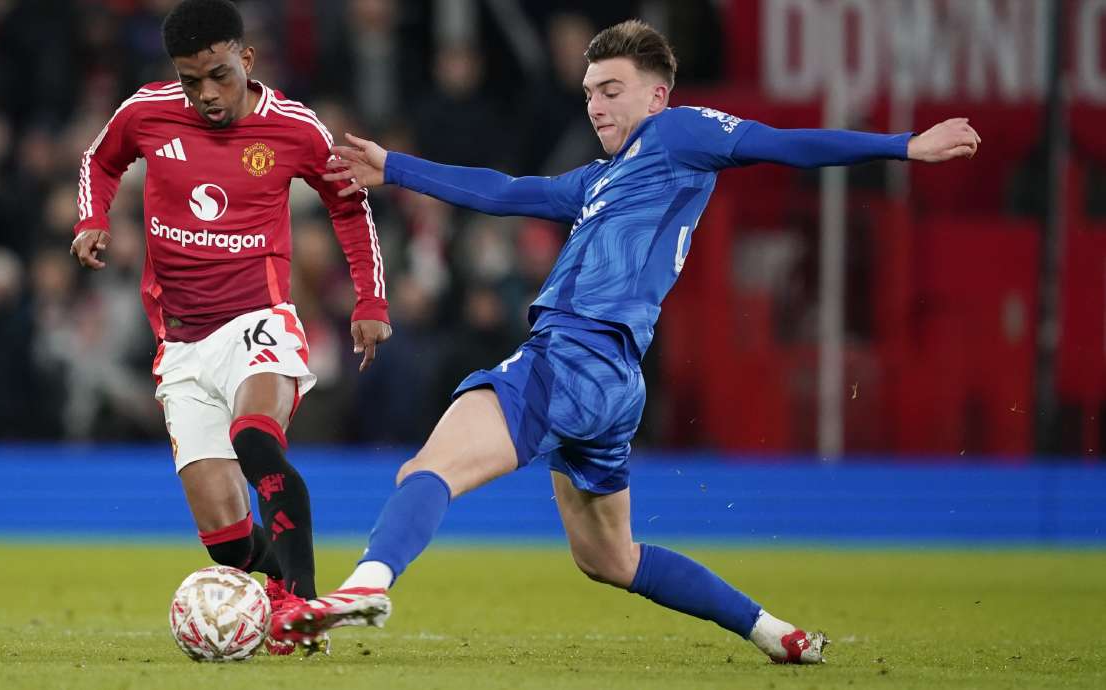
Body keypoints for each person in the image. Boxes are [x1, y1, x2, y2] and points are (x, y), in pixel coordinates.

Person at [271, 19, 981, 663]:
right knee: (610, 558)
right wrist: (395, 168)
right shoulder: (599, 180)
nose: (596, 105)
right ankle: (774, 632)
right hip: (612, 383)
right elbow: (506, 191)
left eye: (612, 90)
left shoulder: (679, 135)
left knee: (429, 468)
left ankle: (366, 585)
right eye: (589, 93)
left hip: (572, 356)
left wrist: (903, 146)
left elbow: (781, 143)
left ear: (657, 96)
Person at [70, 0, 391, 656]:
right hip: (180, 344)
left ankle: (301, 605)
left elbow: (348, 205)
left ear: (247, 59)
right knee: (225, 537)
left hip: (257, 322)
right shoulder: (146, 111)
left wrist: (370, 301)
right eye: (191, 80)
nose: (207, 94)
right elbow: (99, 161)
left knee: (255, 436)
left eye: (219, 75)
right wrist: (92, 218)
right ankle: (272, 590)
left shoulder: (294, 127)